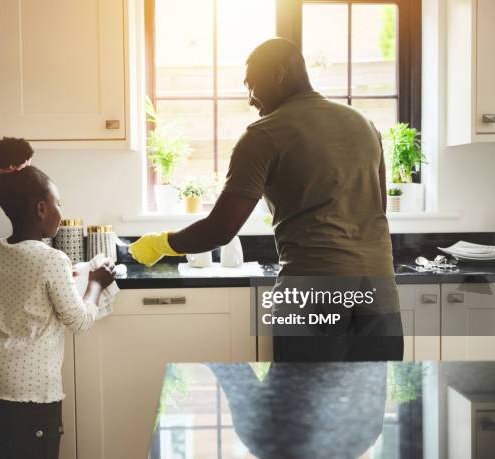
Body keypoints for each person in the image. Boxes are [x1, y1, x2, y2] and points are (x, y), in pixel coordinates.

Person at [129, 38, 403, 362]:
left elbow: (220, 229)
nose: (249, 99)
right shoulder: (365, 125)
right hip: (380, 292)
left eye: (251, 85)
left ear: (278, 73)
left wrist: (160, 244)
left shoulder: (263, 136)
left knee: (298, 405)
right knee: (366, 407)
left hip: (312, 293)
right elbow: (377, 211)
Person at [0, 137, 115, 459]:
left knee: (6, 452)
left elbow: (25, 288)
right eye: (58, 203)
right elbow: (79, 322)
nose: (61, 212)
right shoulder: (51, 260)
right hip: (31, 387)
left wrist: (69, 275)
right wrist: (96, 282)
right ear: (41, 208)